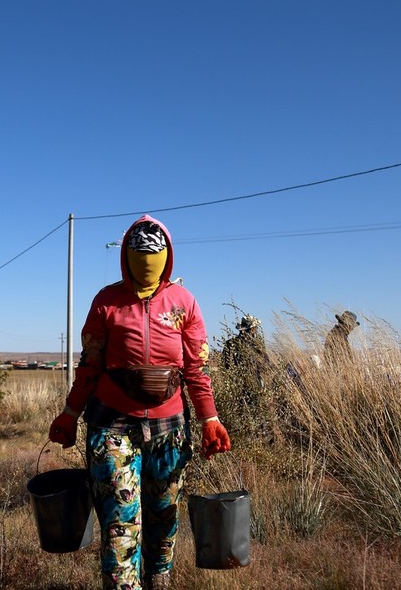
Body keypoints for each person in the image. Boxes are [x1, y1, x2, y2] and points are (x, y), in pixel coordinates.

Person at [48, 215, 231, 590]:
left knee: (164, 516)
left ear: (168, 257)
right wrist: (70, 413)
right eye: (139, 256)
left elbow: (197, 368)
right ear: (126, 258)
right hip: (112, 428)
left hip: (169, 430)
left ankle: (158, 579)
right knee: (120, 522)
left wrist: (210, 418)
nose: (146, 264)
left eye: (154, 256)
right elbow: (90, 365)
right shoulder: (107, 301)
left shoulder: (184, 302)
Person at [220, 314, 272, 388]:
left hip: (235, 383)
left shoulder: (230, 343)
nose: (256, 330)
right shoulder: (256, 344)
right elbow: (265, 363)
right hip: (254, 381)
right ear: (252, 329)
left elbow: (224, 363)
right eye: (256, 328)